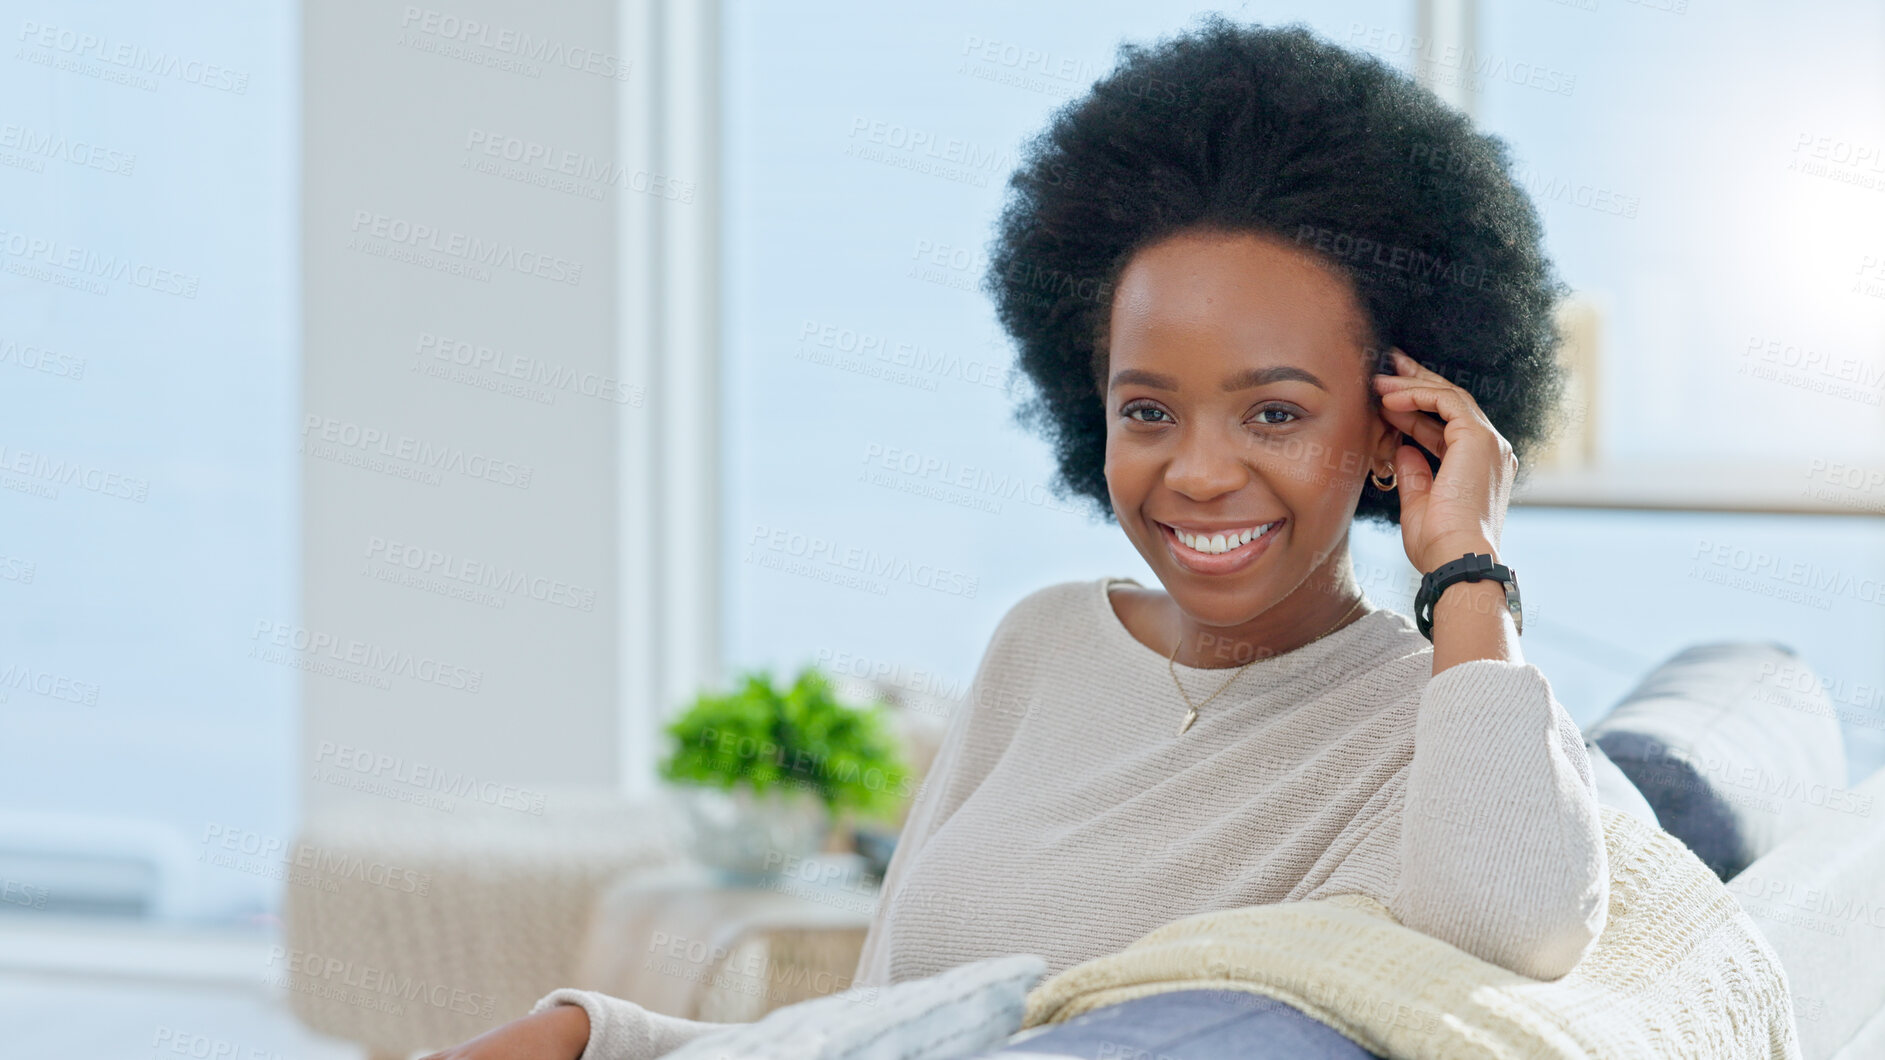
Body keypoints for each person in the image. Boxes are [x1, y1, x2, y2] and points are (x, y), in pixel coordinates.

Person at [426, 16, 1614, 1059]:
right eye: (1147, 410)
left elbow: (1510, 926)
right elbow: (876, 1019)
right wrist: (600, 1033)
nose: (1196, 473)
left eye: (1274, 412)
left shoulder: (1456, 717)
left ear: (1391, 425)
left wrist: (1466, 566)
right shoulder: (1043, 644)